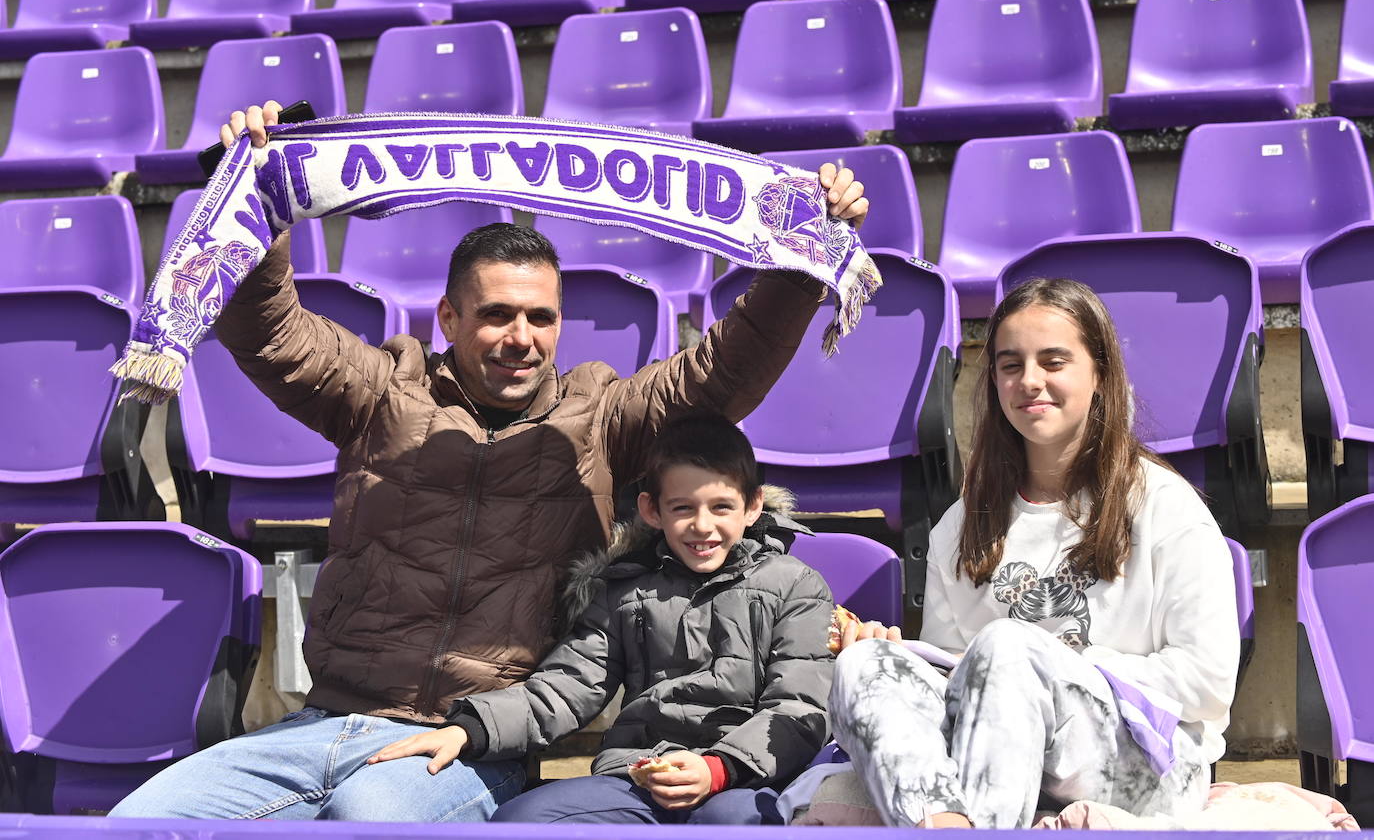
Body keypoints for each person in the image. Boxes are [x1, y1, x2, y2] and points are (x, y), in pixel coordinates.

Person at [109, 103, 868, 822]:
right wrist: (259, 201)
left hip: (469, 745)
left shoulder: (602, 420)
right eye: (497, 314)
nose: (521, 337)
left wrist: (802, 262)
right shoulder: (379, 392)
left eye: (541, 317)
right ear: (449, 317)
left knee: (363, 821)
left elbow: (720, 374)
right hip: (316, 725)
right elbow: (269, 330)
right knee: (135, 822)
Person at [826, 277, 1239, 829]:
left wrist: (1051, 668)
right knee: (864, 666)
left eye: (1054, 361)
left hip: (1148, 765)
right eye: (1011, 364)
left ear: (1100, 375)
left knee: (1009, 648)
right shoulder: (962, 524)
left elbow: (1208, 683)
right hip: (996, 758)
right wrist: (915, 664)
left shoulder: (1166, 507)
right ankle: (948, 825)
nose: (1030, 381)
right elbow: (958, 691)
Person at [367, 412, 833, 825]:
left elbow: (798, 708)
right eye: (683, 508)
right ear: (652, 510)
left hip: (744, 781)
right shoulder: (624, 591)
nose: (703, 526)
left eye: (721, 507)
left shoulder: (795, 586)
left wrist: (718, 768)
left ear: (753, 506)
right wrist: (470, 728)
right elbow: (566, 686)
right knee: (525, 820)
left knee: (738, 823)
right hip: (639, 775)